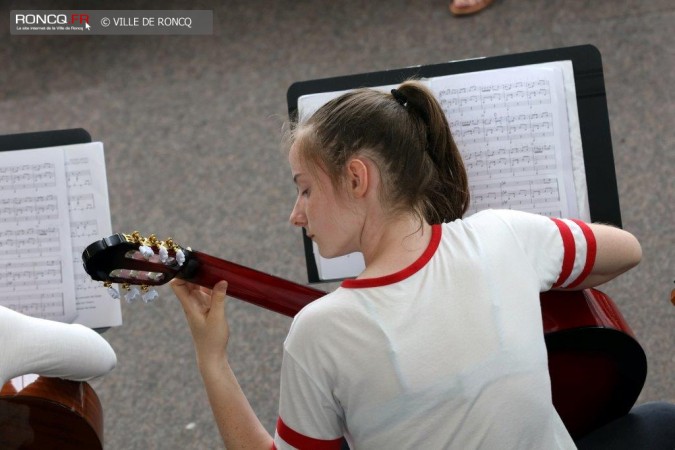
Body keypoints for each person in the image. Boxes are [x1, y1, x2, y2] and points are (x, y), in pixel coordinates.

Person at [171, 80, 645, 449]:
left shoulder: (320, 333)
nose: (295, 213)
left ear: (357, 178)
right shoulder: (506, 235)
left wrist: (211, 358)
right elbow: (626, 251)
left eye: (305, 188)